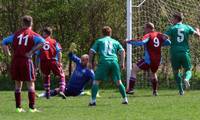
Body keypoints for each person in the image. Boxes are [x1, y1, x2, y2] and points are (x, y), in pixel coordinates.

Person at [1, 15, 45, 112]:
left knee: (17, 84)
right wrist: (31, 52)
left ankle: (18, 108)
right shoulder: (33, 34)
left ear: (22, 23)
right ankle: (32, 108)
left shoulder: (16, 35)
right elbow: (43, 42)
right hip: (26, 61)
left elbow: (3, 42)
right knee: (30, 84)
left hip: (16, 61)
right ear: (31, 23)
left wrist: (7, 53)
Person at [126, 22, 171, 96]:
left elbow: (141, 42)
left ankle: (130, 89)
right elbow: (169, 42)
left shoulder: (148, 35)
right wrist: (161, 43)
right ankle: (155, 91)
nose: (144, 30)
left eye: (145, 28)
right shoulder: (159, 35)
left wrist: (129, 42)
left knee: (134, 69)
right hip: (158, 60)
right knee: (153, 73)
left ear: (148, 28)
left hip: (149, 59)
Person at [88, 26, 128, 106]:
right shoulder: (115, 41)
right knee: (118, 82)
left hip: (104, 62)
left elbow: (91, 51)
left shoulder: (99, 41)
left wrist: (90, 62)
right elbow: (123, 51)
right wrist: (122, 62)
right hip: (114, 61)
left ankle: (93, 101)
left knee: (96, 81)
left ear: (102, 33)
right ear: (110, 33)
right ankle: (125, 99)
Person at [164, 12, 200, 95]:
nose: (171, 20)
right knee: (188, 69)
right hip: (184, 52)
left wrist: (165, 39)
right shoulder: (187, 27)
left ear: (176, 19)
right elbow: (197, 35)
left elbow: (164, 37)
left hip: (174, 53)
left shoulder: (172, 28)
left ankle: (181, 90)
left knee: (176, 71)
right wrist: (198, 30)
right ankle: (187, 79)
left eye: (173, 18)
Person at [36, 27, 65, 99]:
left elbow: (37, 55)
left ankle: (48, 94)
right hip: (53, 61)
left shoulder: (40, 42)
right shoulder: (54, 41)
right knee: (61, 75)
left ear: (45, 33)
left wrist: (36, 66)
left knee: (46, 76)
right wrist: (59, 62)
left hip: (43, 62)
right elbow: (59, 52)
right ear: (50, 34)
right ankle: (61, 90)